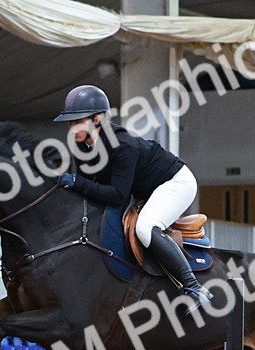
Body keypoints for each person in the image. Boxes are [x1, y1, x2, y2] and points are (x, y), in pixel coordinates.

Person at [53, 85, 213, 306]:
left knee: (146, 228)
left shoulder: (122, 145)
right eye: (70, 122)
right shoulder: (82, 146)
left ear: (97, 120)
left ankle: (193, 287)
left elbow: (117, 195)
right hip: (148, 190)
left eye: (77, 121)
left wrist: (77, 183)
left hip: (176, 183)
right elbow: (88, 188)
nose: (71, 128)